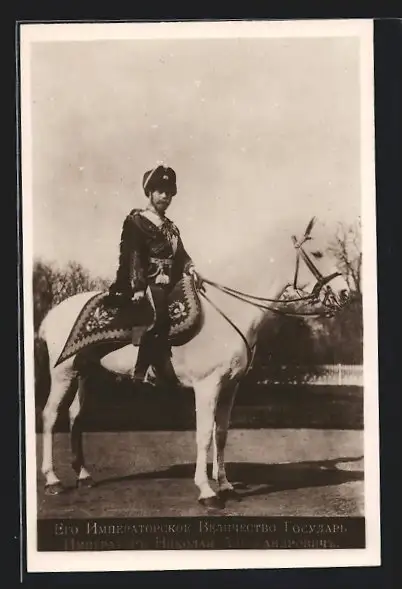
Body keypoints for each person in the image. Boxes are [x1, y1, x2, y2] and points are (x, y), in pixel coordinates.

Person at [108, 164, 202, 386]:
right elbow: (133, 255)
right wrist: (138, 287)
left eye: (169, 193)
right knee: (158, 311)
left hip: (172, 282)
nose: (165, 197)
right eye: (161, 191)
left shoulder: (171, 228)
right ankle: (142, 370)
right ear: (149, 192)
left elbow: (181, 255)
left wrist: (191, 268)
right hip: (148, 283)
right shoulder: (137, 222)